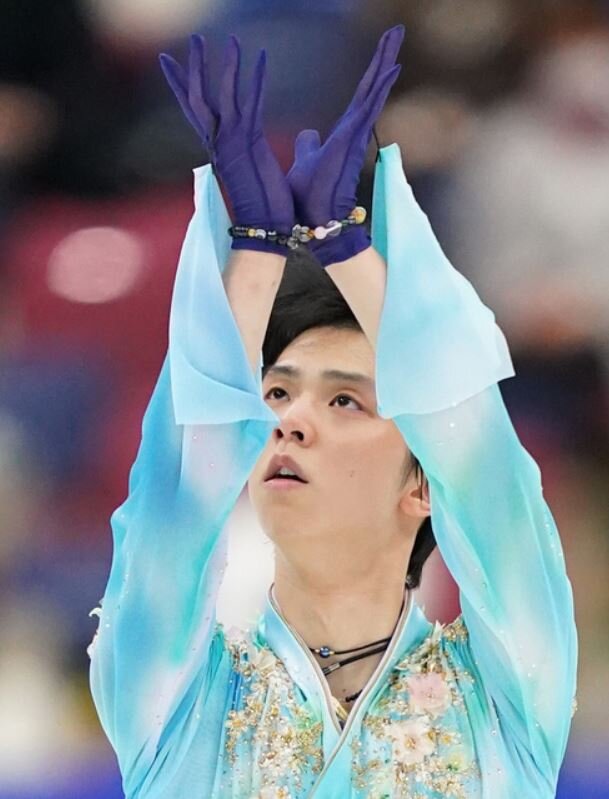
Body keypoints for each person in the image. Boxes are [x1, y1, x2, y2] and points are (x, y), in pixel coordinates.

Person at [87, 26, 578, 798]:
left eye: (345, 398)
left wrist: (348, 249)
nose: (287, 421)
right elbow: (171, 510)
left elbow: (491, 485)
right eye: (276, 394)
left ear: (423, 482)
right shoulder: (175, 699)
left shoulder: (506, 692)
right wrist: (253, 246)